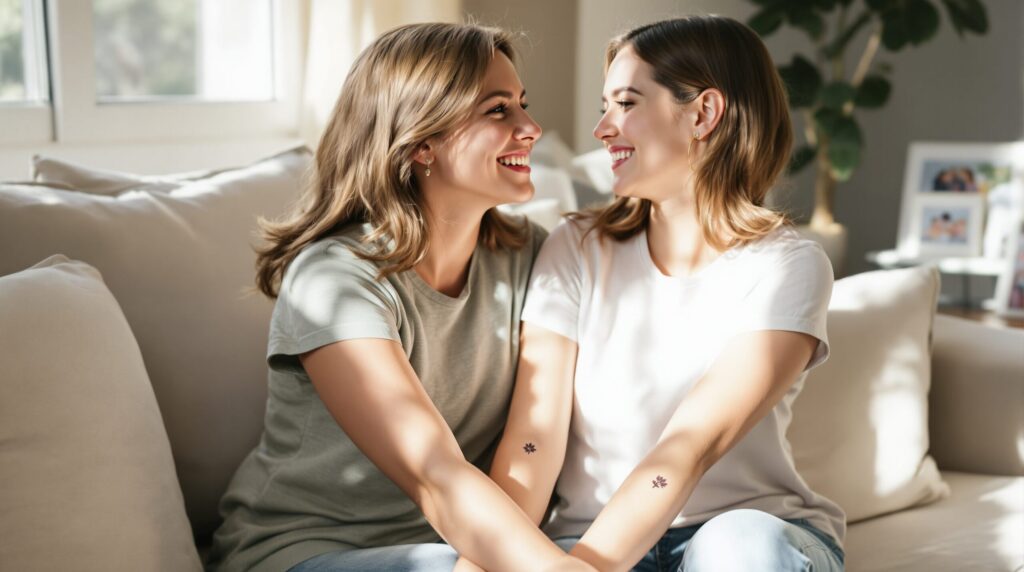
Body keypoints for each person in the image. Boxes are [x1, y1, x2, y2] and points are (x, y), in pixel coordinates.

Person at [206, 23, 596, 572]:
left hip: (462, 548)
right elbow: (433, 474)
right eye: (498, 110)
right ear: (421, 143)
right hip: (307, 550)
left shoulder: (529, 253)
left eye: (523, 106)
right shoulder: (335, 281)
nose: (531, 128)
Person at [483, 16, 846, 571]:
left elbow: (688, 449)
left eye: (626, 103)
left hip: (738, 532)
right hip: (586, 536)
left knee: (738, 548)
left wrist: (588, 570)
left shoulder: (788, 265)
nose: (602, 128)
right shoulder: (575, 245)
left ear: (703, 113)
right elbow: (533, 438)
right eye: (604, 106)